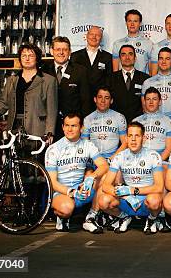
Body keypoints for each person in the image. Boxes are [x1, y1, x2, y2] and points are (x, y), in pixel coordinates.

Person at [45, 113, 109, 232]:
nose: (69, 129)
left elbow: (104, 165)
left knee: (105, 176)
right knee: (67, 208)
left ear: (81, 128)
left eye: (74, 126)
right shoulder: (53, 149)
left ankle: (90, 218)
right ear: (63, 127)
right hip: (62, 192)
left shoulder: (88, 145)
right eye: (67, 125)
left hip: (82, 189)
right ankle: (62, 217)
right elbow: (52, 182)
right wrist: (71, 192)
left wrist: (91, 178)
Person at [98, 122, 164, 234]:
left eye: (137, 136)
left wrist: (133, 191)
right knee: (103, 201)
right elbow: (106, 185)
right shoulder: (119, 156)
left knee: (154, 200)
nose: (133, 140)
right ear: (126, 138)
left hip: (146, 200)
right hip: (127, 200)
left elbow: (159, 187)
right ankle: (123, 217)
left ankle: (152, 218)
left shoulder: (154, 156)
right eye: (130, 136)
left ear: (144, 138)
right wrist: (124, 195)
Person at [80, 86, 128, 233]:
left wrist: (112, 159)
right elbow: (84, 143)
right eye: (100, 97)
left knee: (103, 176)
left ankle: (92, 215)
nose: (103, 100)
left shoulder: (119, 117)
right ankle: (97, 215)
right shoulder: (88, 119)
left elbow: (125, 142)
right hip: (93, 161)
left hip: (111, 160)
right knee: (90, 177)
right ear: (95, 99)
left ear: (111, 101)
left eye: (107, 97)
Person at [0, 43, 57, 139]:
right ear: (20, 59)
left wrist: (49, 133)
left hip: (38, 130)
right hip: (14, 128)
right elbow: (3, 102)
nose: (27, 59)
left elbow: (52, 111)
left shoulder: (49, 80)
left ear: (37, 59)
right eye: (24, 56)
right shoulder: (12, 80)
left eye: (31, 56)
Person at [42, 36, 92, 139]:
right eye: (58, 49)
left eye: (65, 49)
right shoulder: (43, 70)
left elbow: (86, 101)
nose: (61, 52)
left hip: (73, 126)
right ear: (52, 51)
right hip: (48, 126)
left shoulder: (80, 71)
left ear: (70, 52)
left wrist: (83, 124)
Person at [141, 47, 171, 131]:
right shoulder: (147, 83)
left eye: (167, 59)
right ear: (158, 61)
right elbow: (144, 107)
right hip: (153, 126)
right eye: (161, 58)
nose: (164, 61)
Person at [107, 45, 150, 123]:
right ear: (119, 58)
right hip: (116, 124)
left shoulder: (145, 79)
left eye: (130, 54)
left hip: (138, 125)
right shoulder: (110, 78)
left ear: (135, 58)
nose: (127, 57)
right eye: (123, 54)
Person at [70, 26, 113, 100]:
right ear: (86, 36)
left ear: (101, 38)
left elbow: (109, 80)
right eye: (91, 34)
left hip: (99, 101)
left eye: (97, 35)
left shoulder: (108, 57)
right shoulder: (75, 56)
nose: (94, 37)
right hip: (79, 99)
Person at [133, 87, 171, 162]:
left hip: (160, 160)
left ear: (160, 102)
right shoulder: (136, 121)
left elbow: (169, 148)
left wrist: (157, 162)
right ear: (144, 102)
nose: (151, 102)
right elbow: (131, 145)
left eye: (154, 99)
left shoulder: (168, 121)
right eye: (148, 99)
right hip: (138, 159)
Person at [111, 9, 154, 74]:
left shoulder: (149, 43)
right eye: (129, 21)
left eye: (135, 21)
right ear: (126, 23)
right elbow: (115, 72)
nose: (132, 24)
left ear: (140, 23)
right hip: (123, 82)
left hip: (142, 82)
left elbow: (152, 72)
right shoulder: (117, 44)